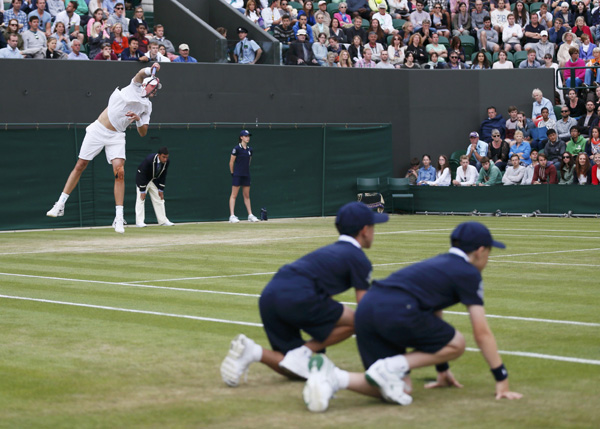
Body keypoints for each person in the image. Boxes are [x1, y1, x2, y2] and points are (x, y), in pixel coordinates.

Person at [303, 222, 522, 412]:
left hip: (368, 309)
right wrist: (501, 379)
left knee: (399, 390)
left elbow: (434, 315)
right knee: (457, 343)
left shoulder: (439, 263)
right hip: (396, 311)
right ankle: (390, 366)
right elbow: (481, 333)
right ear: (480, 251)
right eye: (489, 253)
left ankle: (332, 377)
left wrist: (442, 370)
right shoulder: (469, 273)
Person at [221, 201, 388, 388]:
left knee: (294, 368)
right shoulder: (358, 258)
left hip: (269, 295)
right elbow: (364, 311)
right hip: (298, 296)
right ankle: (303, 352)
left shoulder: (328, 252)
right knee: (359, 320)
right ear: (365, 230)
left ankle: (253, 352)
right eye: (373, 226)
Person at [46, 63, 162, 234]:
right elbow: (139, 74)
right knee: (80, 165)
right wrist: (150, 69)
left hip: (117, 137)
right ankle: (60, 203)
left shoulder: (147, 106)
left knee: (119, 172)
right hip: (98, 130)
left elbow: (143, 132)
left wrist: (138, 118)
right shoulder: (133, 87)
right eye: (154, 88)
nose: (155, 92)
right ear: (148, 86)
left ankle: (119, 217)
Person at [135, 147, 174, 228]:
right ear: (159, 155)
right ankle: (139, 222)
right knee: (141, 199)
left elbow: (163, 175)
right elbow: (142, 174)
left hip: (154, 180)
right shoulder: (149, 159)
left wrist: (161, 189)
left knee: (159, 199)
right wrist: (142, 190)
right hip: (143, 179)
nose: (165, 159)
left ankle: (163, 221)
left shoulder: (167, 162)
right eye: (163, 157)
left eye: (167, 157)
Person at [229, 130, 259, 223]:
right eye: (245, 136)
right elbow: (231, 162)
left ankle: (250, 215)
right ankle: (232, 216)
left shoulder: (250, 150)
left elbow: (249, 162)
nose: (247, 138)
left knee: (246, 195)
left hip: (246, 174)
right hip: (237, 175)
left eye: (248, 136)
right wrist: (233, 173)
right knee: (234, 195)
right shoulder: (236, 148)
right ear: (241, 137)